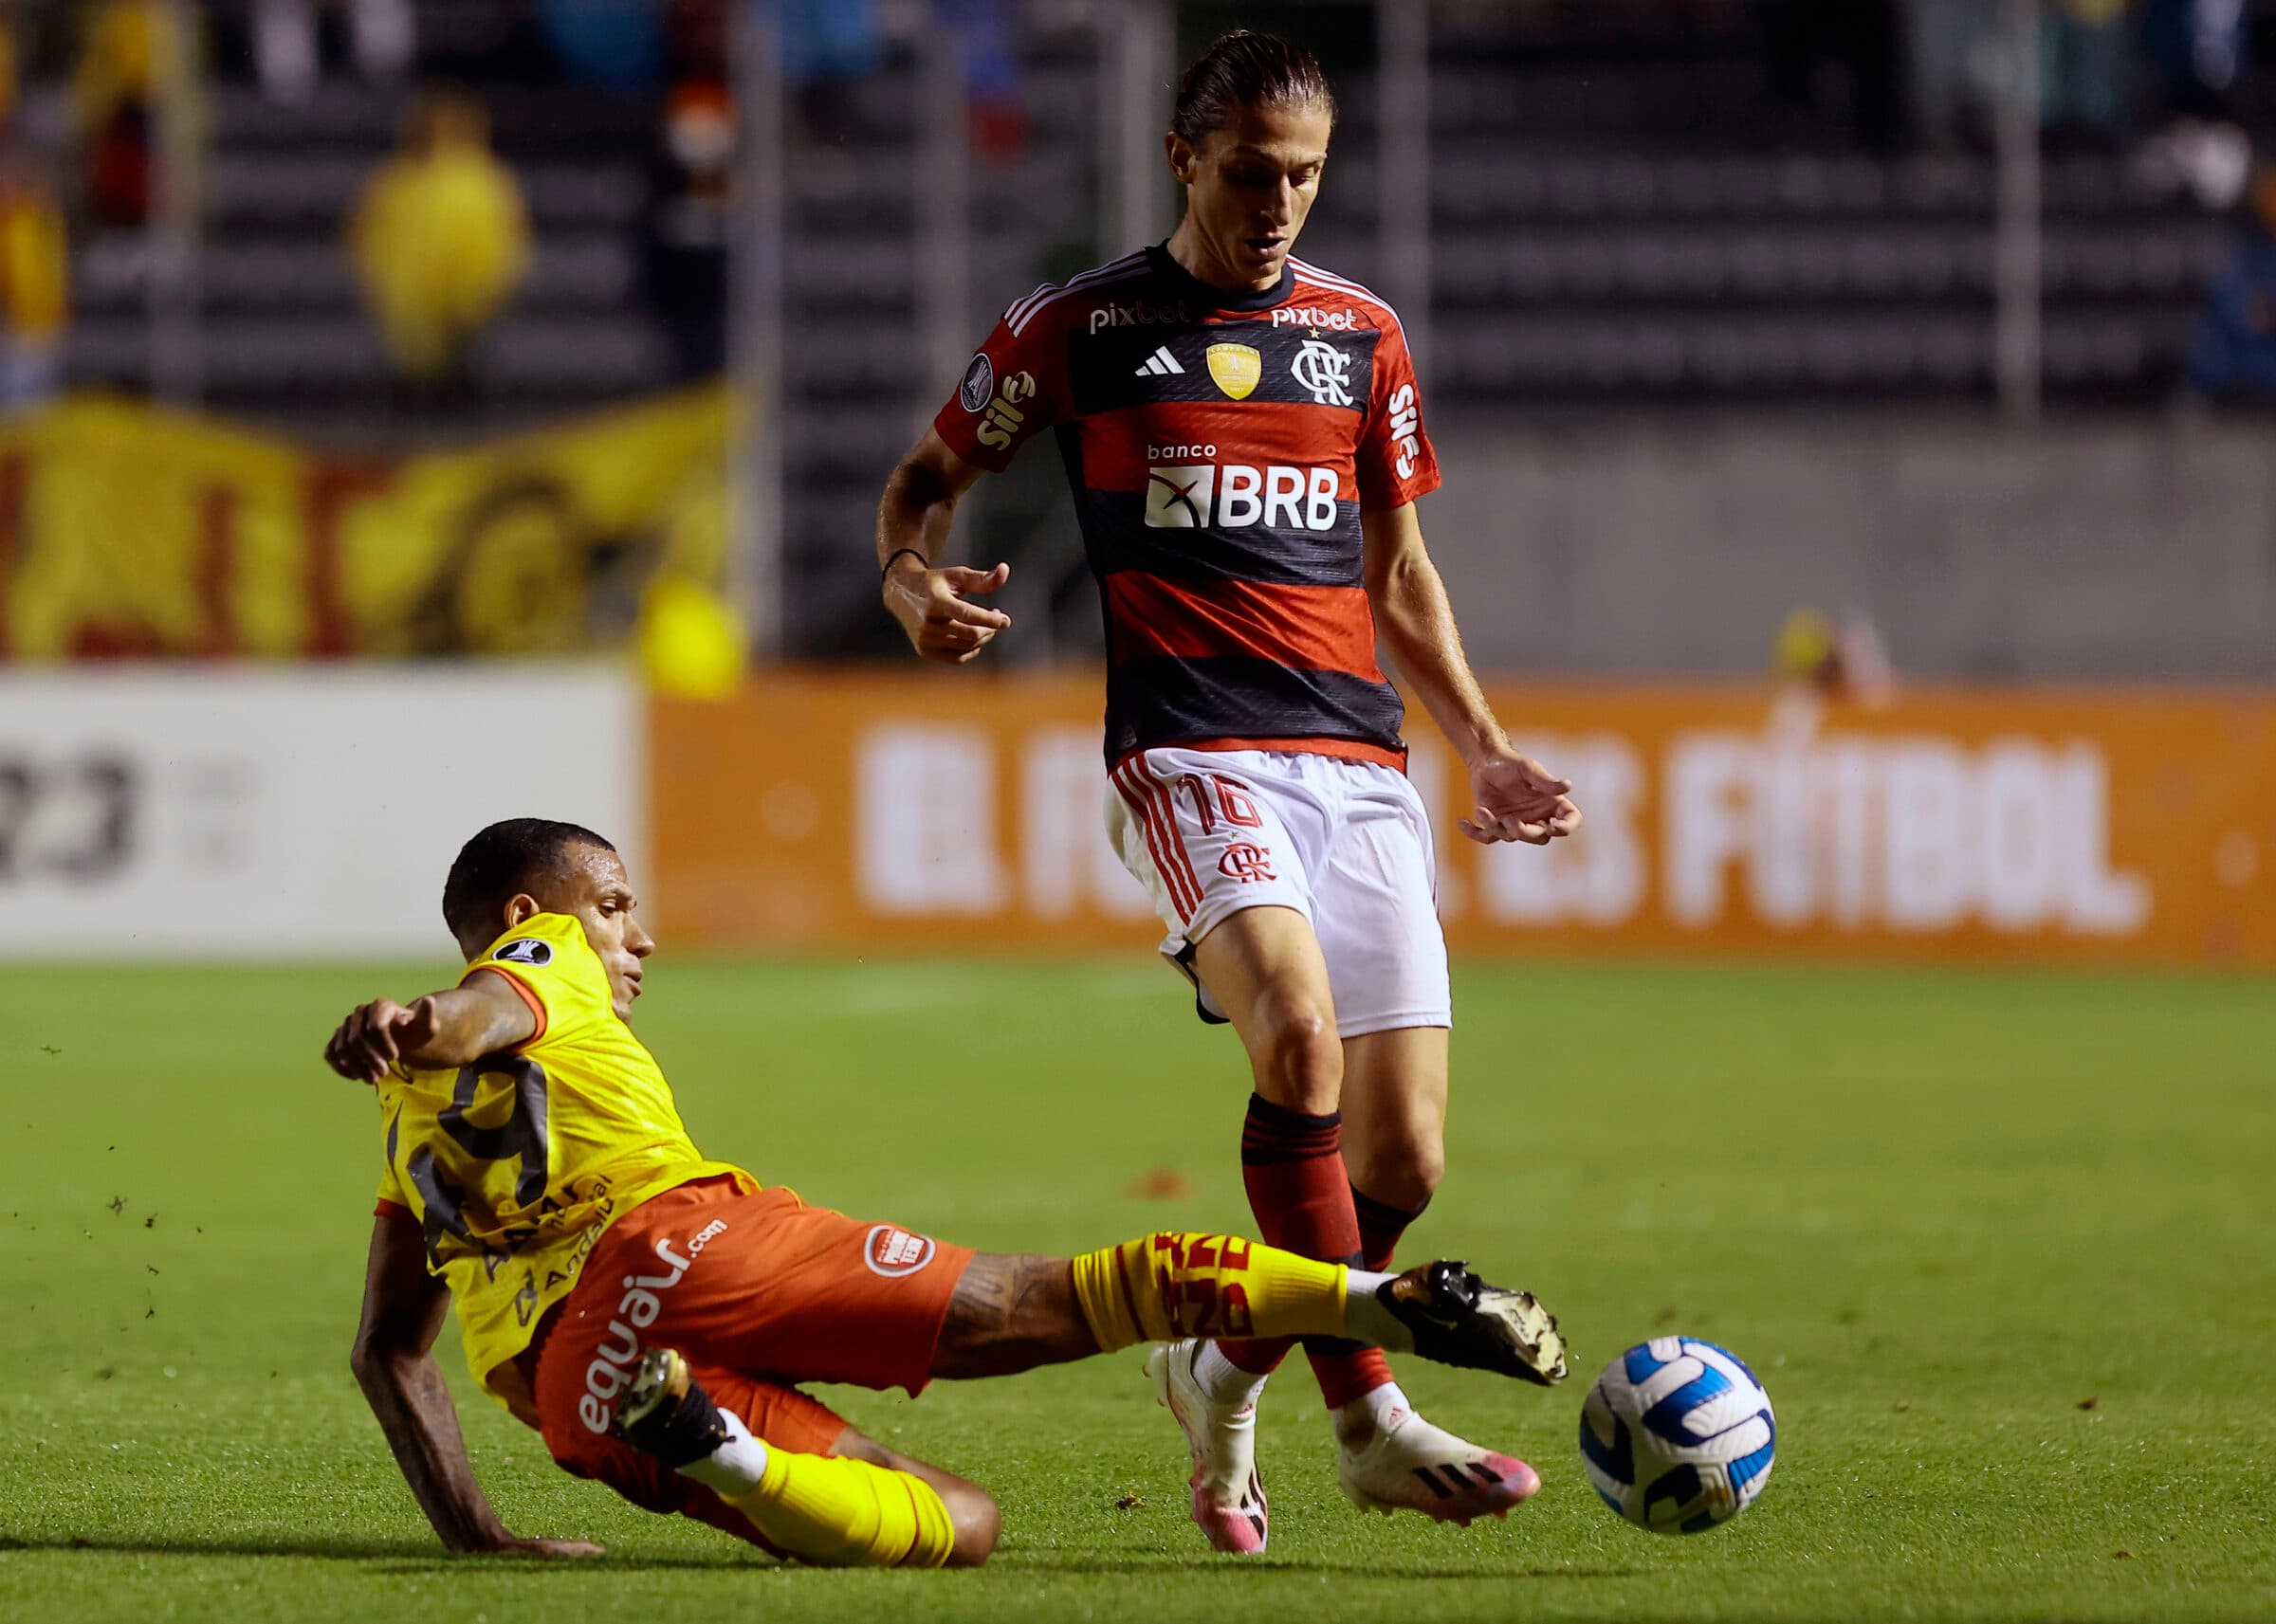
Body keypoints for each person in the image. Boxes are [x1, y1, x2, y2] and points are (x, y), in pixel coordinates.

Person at [874, 30, 1581, 1555]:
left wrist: (1485, 741)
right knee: (1300, 1044)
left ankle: (1219, 1367)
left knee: (1404, 1161)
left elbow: (1399, 571)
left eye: (1306, 176)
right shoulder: (1080, 325)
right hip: (1190, 748)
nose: (1280, 203)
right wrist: (908, 578)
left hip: (1358, 761)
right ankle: (1371, 1419)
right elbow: (925, 479)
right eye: (1254, 172)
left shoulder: (1361, 336)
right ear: (1183, 157)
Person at [327, 818, 1566, 1567]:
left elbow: (390, 1351)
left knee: (958, 1523)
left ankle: (726, 1454)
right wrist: (419, 1015)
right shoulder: (533, 957)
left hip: (580, 1388)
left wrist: (475, 1534)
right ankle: (1380, 1302)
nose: (635, 937)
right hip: (682, 1247)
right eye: (615, 908)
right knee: (1046, 1302)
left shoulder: (402, 1131)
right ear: (529, 914)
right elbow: (485, 1007)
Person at [346, 86, 529, 414]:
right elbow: (365, 232)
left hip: (461, 294)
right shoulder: (397, 180)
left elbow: (505, 236)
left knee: (452, 370)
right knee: (422, 371)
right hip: (412, 298)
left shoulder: (481, 180)